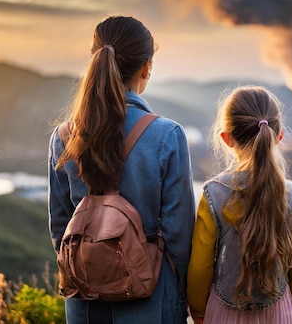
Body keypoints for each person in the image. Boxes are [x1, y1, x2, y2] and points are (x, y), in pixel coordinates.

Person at [47, 16, 195, 324]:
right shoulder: (167, 136)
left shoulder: (63, 136)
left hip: (84, 300)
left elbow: (60, 227)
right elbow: (179, 236)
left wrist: (92, 268)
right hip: (150, 300)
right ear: (147, 68)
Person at [187, 86, 292, 323]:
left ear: (226, 138)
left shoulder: (213, 194)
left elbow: (200, 268)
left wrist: (198, 311)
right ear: (279, 136)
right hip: (280, 314)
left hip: (223, 313)